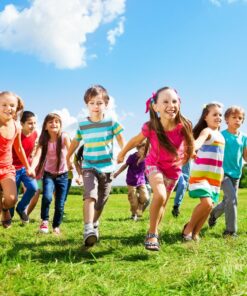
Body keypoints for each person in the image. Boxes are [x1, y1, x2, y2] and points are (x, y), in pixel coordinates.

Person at [117, 87, 194, 251]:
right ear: (155, 106)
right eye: (165, 101)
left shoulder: (183, 125)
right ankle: (152, 234)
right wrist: (122, 153)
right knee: (159, 194)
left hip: (173, 171)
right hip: (154, 165)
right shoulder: (151, 126)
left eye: (174, 101)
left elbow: (190, 142)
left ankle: (154, 229)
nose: (171, 105)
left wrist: (189, 155)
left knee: (163, 203)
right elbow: (134, 140)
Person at [66, 85, 125, 247]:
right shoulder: (83, 124)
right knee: (90, 195)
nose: (95, 107)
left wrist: (122, 153)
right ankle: (88, 229)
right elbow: (75, 141)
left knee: (102, 200)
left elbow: (120, 138)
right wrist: (68, 156)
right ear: (87, 105)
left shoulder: (111, 121)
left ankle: (94, 223)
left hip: (107, 167)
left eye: (99, 103)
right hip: (89, 166)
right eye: (91, 103)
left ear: (106, 104)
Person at [182, 102, 225, 241]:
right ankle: (188, 229)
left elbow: (219, 158)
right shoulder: (207, 131)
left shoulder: (221, 136)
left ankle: (196, 232)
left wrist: (221, 173)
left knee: (209, 206)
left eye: (220, 115)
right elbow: (198, 142)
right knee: (206, 203)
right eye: (215, 114)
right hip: (201, 175)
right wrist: (193, 149)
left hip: (215, 177)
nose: (218, 117)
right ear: (206, 117)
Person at [208, 106, 247, 237]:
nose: (237, 120)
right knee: (232, 199)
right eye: (234, 117)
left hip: (236, 174)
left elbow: (245, 156)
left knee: (228, 201)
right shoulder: (221, 135)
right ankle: (230, 231)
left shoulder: (244, 138)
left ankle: (213, 214)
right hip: (222, 173)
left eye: (240, 118)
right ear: (226, 119)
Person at [31, 113, 70, 235]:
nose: (54, 124)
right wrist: (32, 167)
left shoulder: (64, 136)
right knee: (47, 197)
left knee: (60, 204)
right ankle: (45, 221)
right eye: (50, 122)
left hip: (63, 175)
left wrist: (71, 163)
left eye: (56, 122)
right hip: (49, 175)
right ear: (45, 126)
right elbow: (37, 155)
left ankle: (56, 226)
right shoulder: (44, 139)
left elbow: (70, 151)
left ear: (60, 125)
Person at [0, 91, 34, 228]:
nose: (9, 108)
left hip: (7, 167)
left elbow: (19, 148)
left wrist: (28, 167)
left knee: (12, 199)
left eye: (12, 105)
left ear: (17, 108)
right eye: (4, 105)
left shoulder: (16, 126)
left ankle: (5, 209)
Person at [11, 111, 38, 223]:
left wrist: (30, 165)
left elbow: (30, 150)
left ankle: (21, 208)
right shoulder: (16, 134)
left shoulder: (35, 134)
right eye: (30, 123)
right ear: (21, 124)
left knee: (33, 188)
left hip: (24, 167)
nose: (33, 126)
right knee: (13, 196)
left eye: (35, 123)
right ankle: (9, 217)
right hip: (12, 168)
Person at [114, 141, 149, 221]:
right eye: (143, 149)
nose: (144, 152)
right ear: (138, 149)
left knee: (145, 197)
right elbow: (125, 165)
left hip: (141, 181)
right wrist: (117, 173)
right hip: (131, 181)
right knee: (133, 200)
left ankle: (139, 209)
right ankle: (134, 214)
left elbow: (148, 169)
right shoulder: (132, 157)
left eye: (146, 150)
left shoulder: (146, 158)